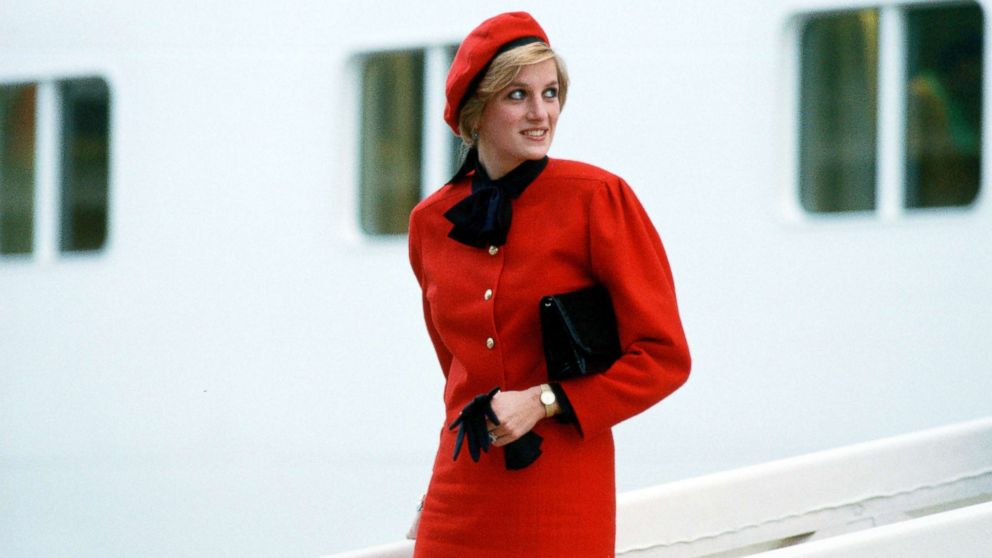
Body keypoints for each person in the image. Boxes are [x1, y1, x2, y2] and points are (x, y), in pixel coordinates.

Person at [407, 12, 691, 557]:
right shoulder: (430, 222)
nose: (542, 114)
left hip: (561, 494)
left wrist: (545, 400)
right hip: (460, 492)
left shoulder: (599, 198)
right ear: (475, 112)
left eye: (551, 93)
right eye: (518, 95)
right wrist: (430, 496)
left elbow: (665, 357)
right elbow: (457, 377)